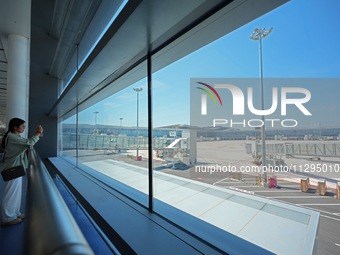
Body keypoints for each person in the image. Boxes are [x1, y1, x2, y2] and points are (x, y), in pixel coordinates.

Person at [1, 118, 43, 226]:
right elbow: (29, 143)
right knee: (11, 193)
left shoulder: (14, 136)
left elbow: (27, 144)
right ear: (15, 127)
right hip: (12, 168)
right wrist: (38, 133)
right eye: (22, 126)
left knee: (16, 193)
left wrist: (37, 136)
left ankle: (15, 213)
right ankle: (7, 218)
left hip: (16, 167)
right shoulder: (12, 137)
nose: (24, 127)